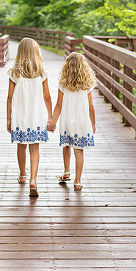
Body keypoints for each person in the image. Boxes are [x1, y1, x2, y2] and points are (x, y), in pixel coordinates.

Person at [6, 38, 53, 197]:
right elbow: (47, 98)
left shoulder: (14, 72)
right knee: (34, 148)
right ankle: (33, 179)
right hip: (37, 116)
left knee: (21, 146)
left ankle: (22, 175)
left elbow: (9, 98)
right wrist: (50, 117)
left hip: (20, 116)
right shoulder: (42, 72)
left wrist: (9, 119)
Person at [47, 52, 97, 191]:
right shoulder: (87, 85)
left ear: (67, 67)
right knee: (79, 151)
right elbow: (91, 107)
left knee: (67, 145)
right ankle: (78, 181)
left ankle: (67, 171)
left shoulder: (63, 84)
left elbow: (58, 105)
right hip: (82, 121)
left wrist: (53, 123)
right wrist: (93, 124)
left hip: (67, 121)